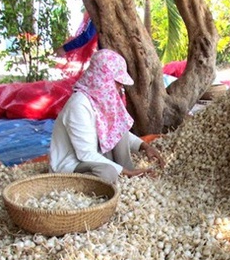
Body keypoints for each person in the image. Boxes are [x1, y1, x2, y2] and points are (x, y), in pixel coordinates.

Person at [49, 49, 165, 184]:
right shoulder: (79, 105)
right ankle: (125, 176)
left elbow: (119, 131)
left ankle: (126, 176)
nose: (121, 86)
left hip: (95, 157)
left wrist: (145, 147)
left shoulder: (104, 101)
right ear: (103, 79)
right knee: (107, 173)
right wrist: (129, 173)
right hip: (72, 164)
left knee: (120, 126)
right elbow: (85, 154)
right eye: (117, 81)